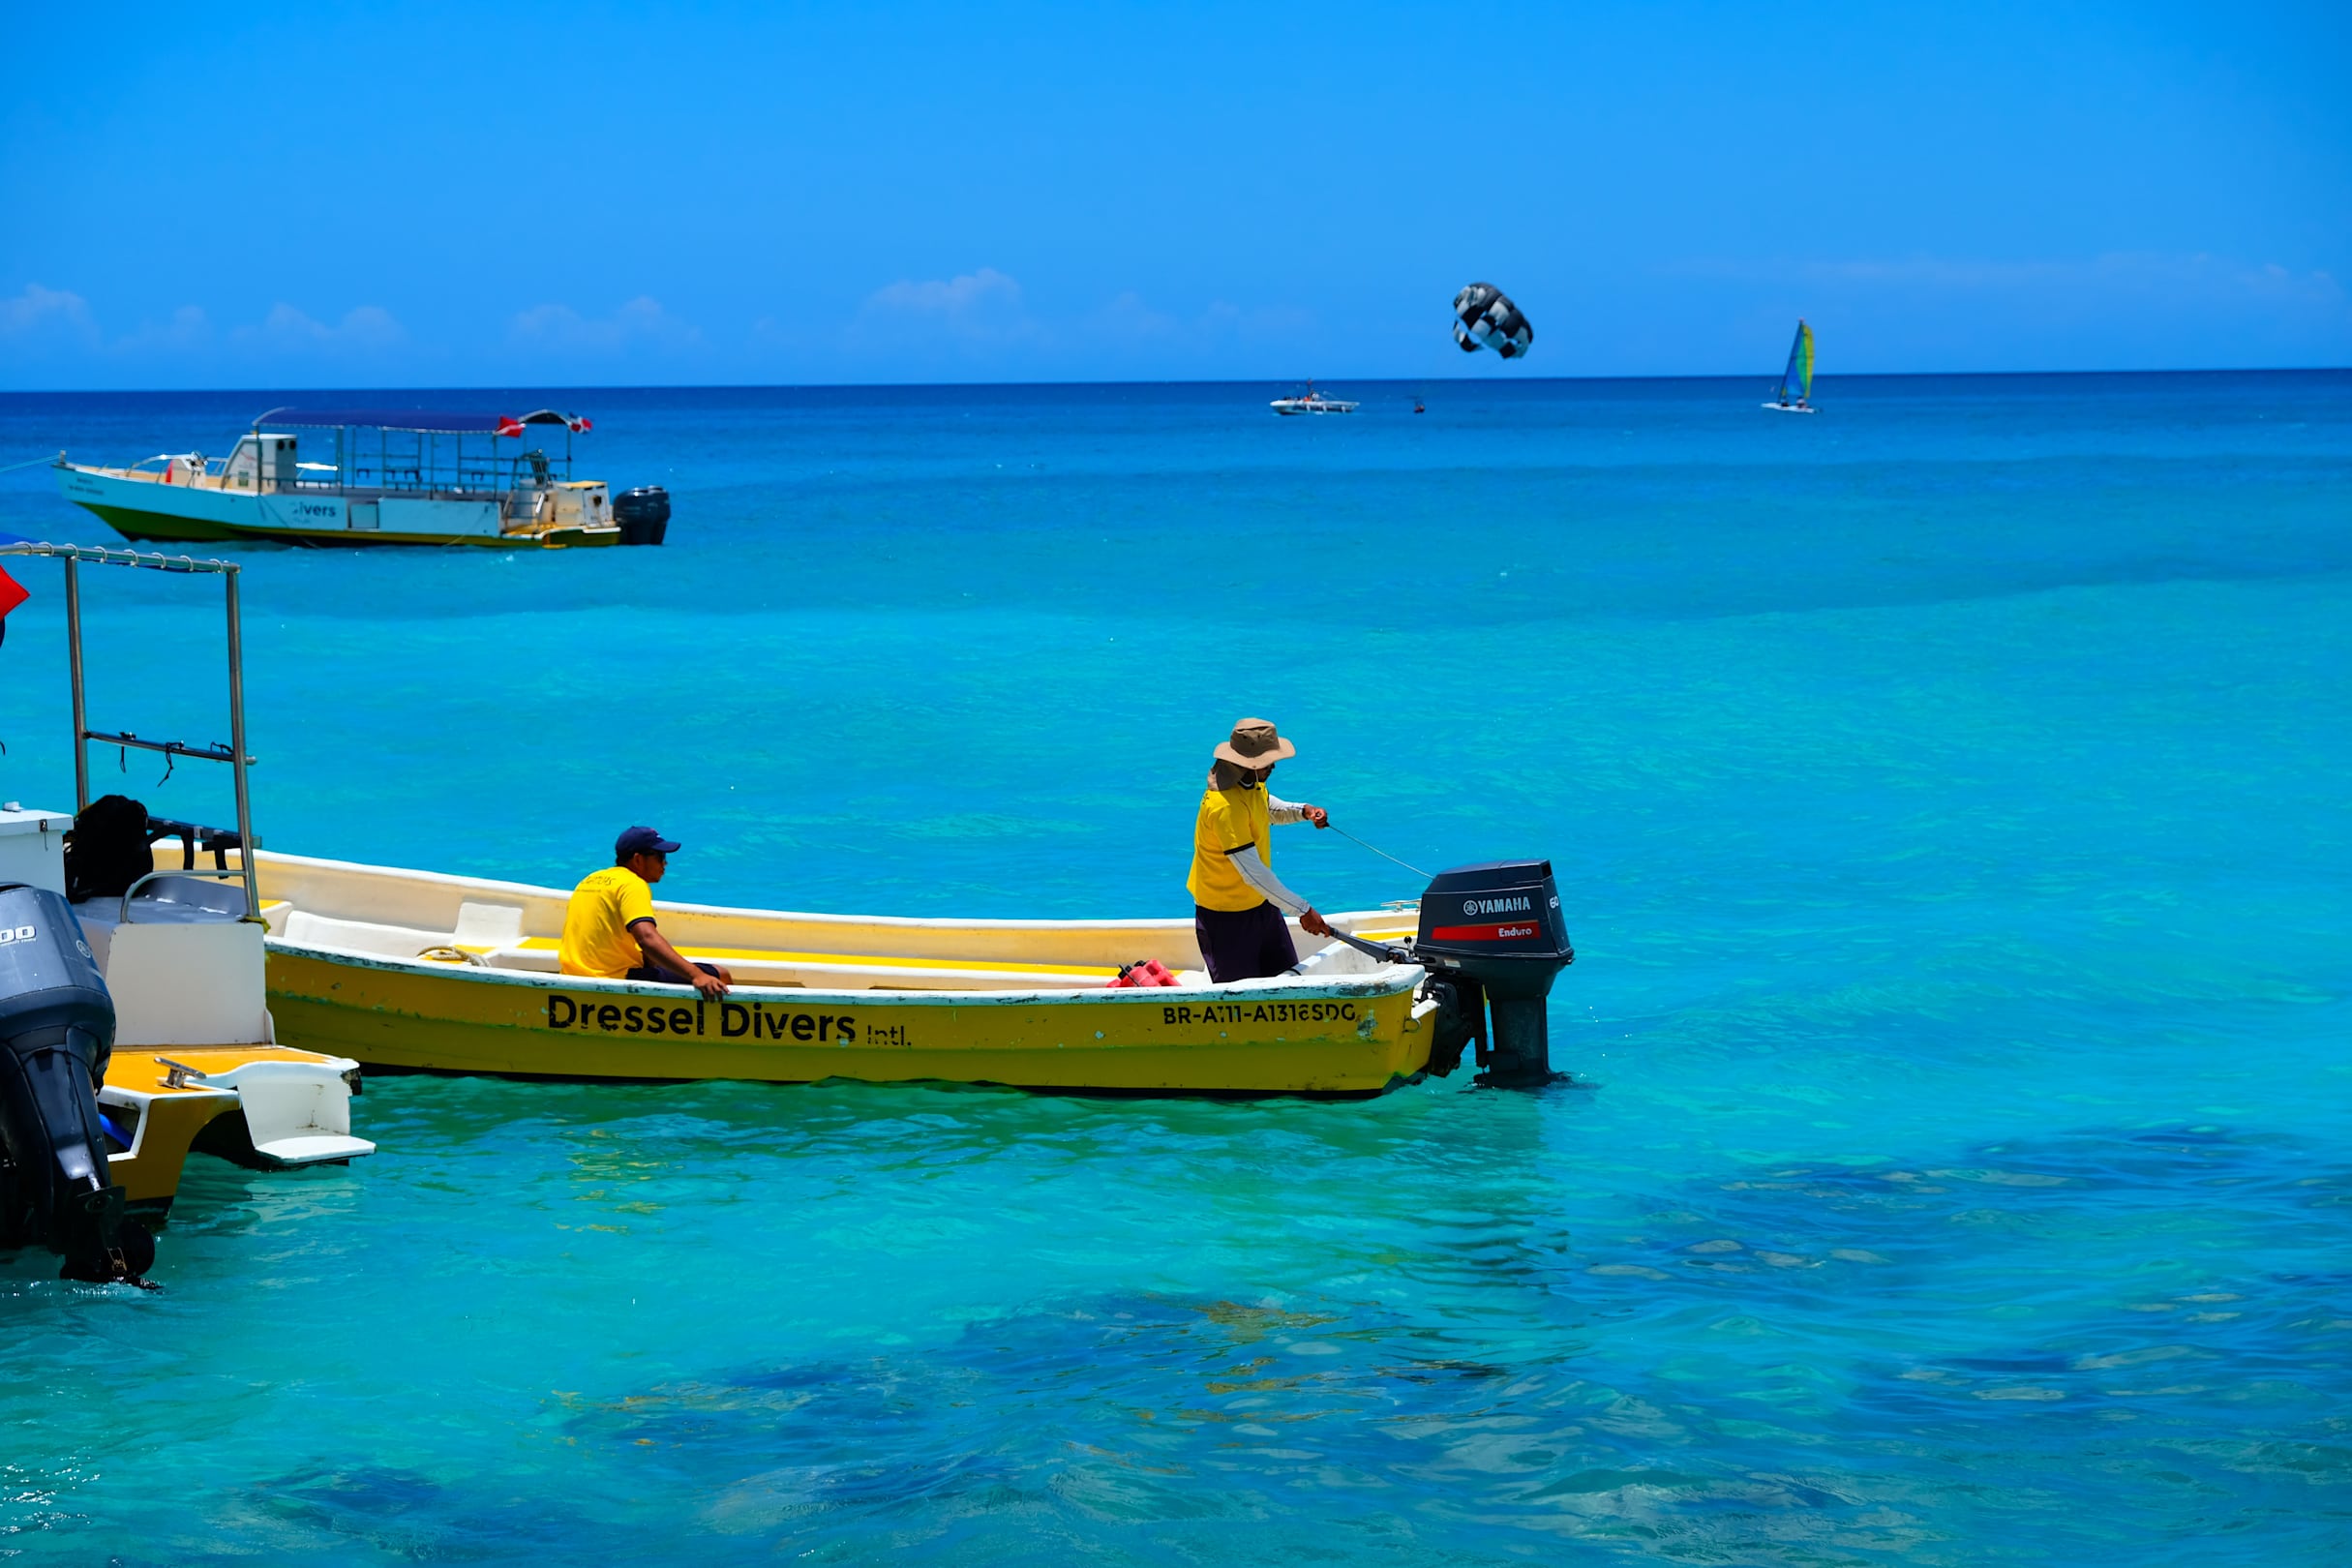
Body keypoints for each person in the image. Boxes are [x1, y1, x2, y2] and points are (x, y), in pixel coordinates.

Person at [1186, 717, 1336, 983]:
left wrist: (1304, 811)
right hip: (1226, 920)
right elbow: (1253, 874)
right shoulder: (1224, 807)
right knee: (1242, 999)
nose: (1273, 766)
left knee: (1289, 984)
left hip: (1262, 906)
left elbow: (1266, 807)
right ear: (1248, 763)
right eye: (1268, 761)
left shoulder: (1249, 781)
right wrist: (1303, 910)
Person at [558, 826, 732, 999]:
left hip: (573, 975)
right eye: (660, 856)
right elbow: (646, 938)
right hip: (615, 978)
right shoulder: (632, 884)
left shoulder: (589, 880)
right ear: (638, 859)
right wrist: (697, 975)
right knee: (720, 974)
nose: (665, 863)